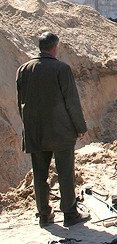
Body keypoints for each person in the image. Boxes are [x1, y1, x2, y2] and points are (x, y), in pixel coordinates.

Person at [16, 32, 90, 228]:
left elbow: (20, 103)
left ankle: (44, 215)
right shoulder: (61, 69)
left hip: (35, 131)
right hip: (60, 131)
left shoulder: (23, 69)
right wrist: (80, 127)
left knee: (39, 175)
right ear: (55, 48)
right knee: (65, 173)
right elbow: (71, 101)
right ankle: (69, 213)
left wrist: (28, 126)